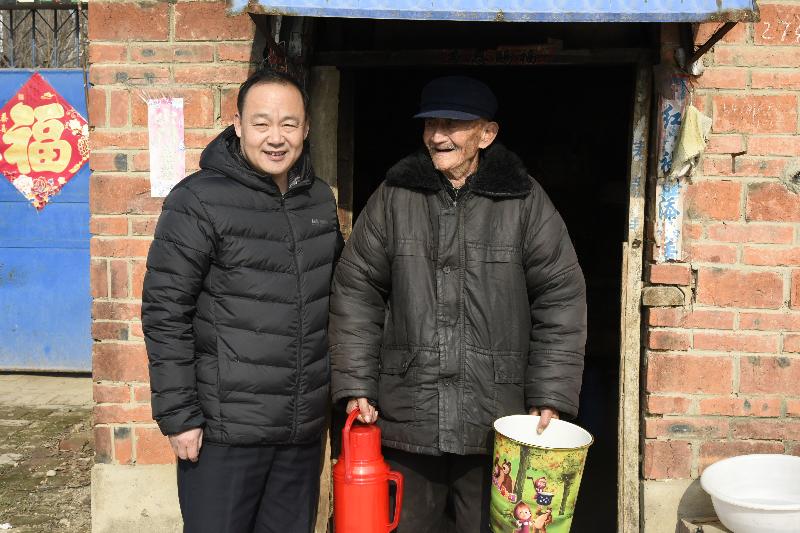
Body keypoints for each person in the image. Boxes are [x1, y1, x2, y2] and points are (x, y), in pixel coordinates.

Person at [329, 75, 586, 532]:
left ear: (487, 134)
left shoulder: (524, 200)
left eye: (453, 124)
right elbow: (356, 290)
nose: (438, 135)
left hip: (497, 418)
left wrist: (549, 394)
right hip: (410, 413)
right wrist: (356, 383)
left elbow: (560, 297)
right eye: (431, 124)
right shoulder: (395, 196)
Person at [141, 68, 342, 533]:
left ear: (306, 129)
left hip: (298, 431)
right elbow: (166, 312)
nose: (276, 138)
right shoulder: (197, 200)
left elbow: (338, 298)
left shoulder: (318, 200)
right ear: (238, 125)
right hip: (223, 432)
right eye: (261, 123)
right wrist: (179, 416)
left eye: (289, 124)